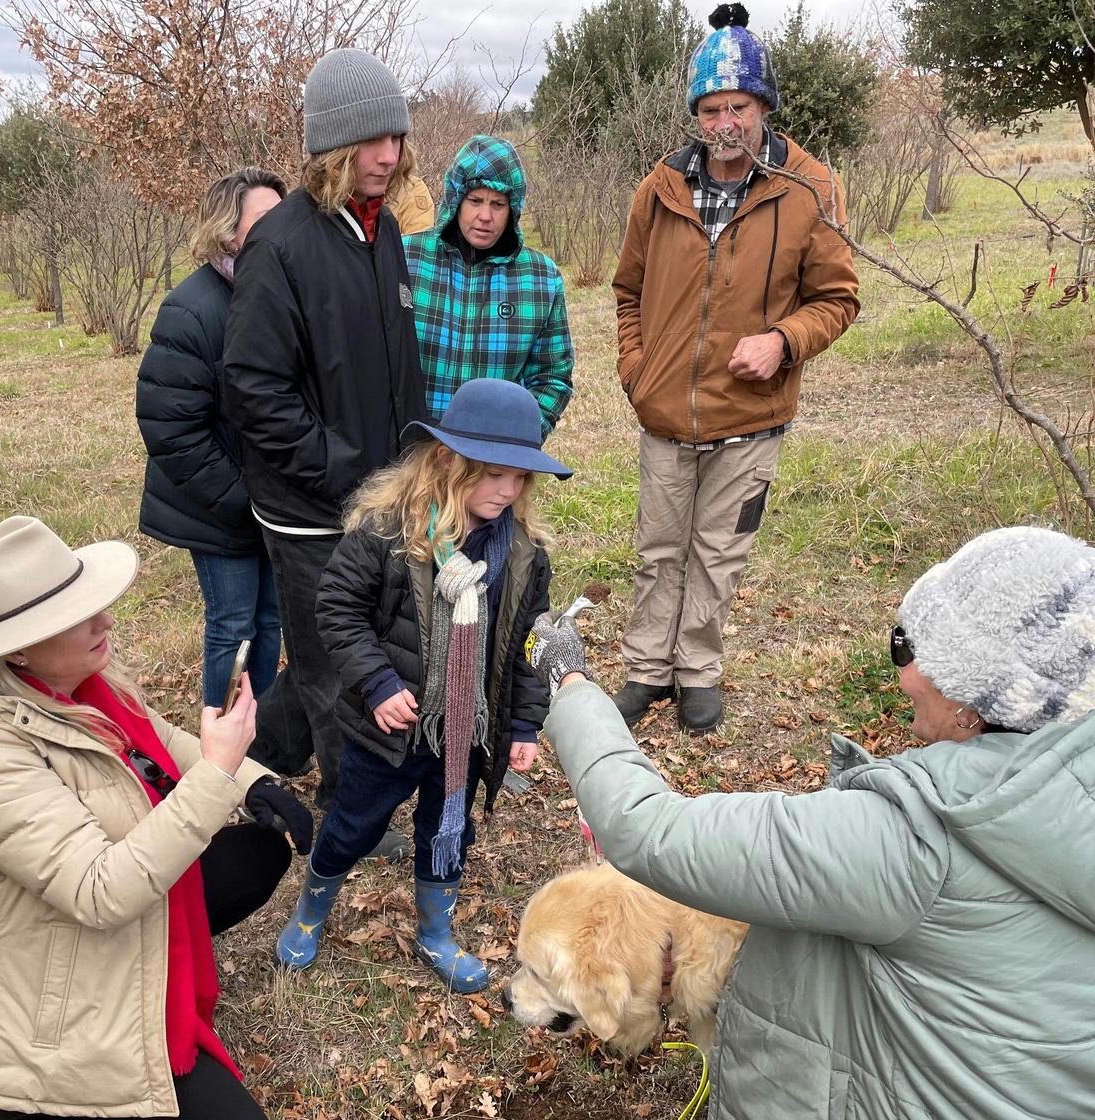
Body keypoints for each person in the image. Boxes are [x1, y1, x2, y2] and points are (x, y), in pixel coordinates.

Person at [525, 525, 1095, 1120]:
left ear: (982, 699)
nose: (903, 672)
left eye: (914, 650)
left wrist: (568, 680)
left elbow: (647, 829)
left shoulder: (923, 841)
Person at [0, 516, 314, 1120]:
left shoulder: (79, 685)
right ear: (18, 652)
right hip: (49, 979)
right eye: (77, 614)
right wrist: (216, 776)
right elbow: (101, 892)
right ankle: (26, 1094)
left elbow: (161, 739)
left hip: (95, 918)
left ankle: (143, 993)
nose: (104, 620)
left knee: (258, 852)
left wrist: (253, 780)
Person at [610, 3, 859, 735]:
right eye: (711, 108)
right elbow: (626, 291)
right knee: (659, 550)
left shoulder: (809, 188)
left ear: (764, 107)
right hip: (665, 414)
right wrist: (637, 368)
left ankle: (698, 672)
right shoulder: (659, 188)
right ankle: (648, 670)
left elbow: (838, 298)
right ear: (697, 112)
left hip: (751, 418)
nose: (725, 123)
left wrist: (783, 341)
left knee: (717, 554)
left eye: (739, 107)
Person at [274, 379, 569, 991]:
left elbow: (524, 644)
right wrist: (378, 683)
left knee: (447, 830)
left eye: (520, 478)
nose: (509, 490)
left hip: (465, 734)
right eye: (493, 475)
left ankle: (435, 931)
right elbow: (336, 606)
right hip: (392, 728)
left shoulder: (523, 553)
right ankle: (311, 909)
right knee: (352, 823)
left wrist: (521, 725)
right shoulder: (389, 532)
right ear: (447, 462)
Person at [223, 48, 426, 864]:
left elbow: (397, 366)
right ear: (333, 148)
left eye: (397, 139)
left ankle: (257, 752)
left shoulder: (382, 236)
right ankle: (351, 812)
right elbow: (253, 390)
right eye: (373, 141)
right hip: (312, 510)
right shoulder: (281, 246)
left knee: (355, 642)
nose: (390, 155)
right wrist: (344, 470)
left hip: (380, 496)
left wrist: (414, 464)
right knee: (334, 662)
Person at [136, 167, 286, 714]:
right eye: (266, 221)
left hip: (276, 504)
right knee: (233, 627)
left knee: (271, 620)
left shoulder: (279, 295)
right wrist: (245, 500)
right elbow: (171, 430)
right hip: (223, 508)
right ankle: (225, 753)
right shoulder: (193, 309)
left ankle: (260, 738)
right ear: (230, 234)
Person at [403, 135, 573, 435]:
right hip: (408, 452)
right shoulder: (406, 258)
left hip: (491, 459)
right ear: (456, 200)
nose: (485, 216)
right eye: (475, 200)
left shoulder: (541, 278)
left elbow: (552, 377)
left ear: (513, 209)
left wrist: (517, 443)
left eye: (498, 204)